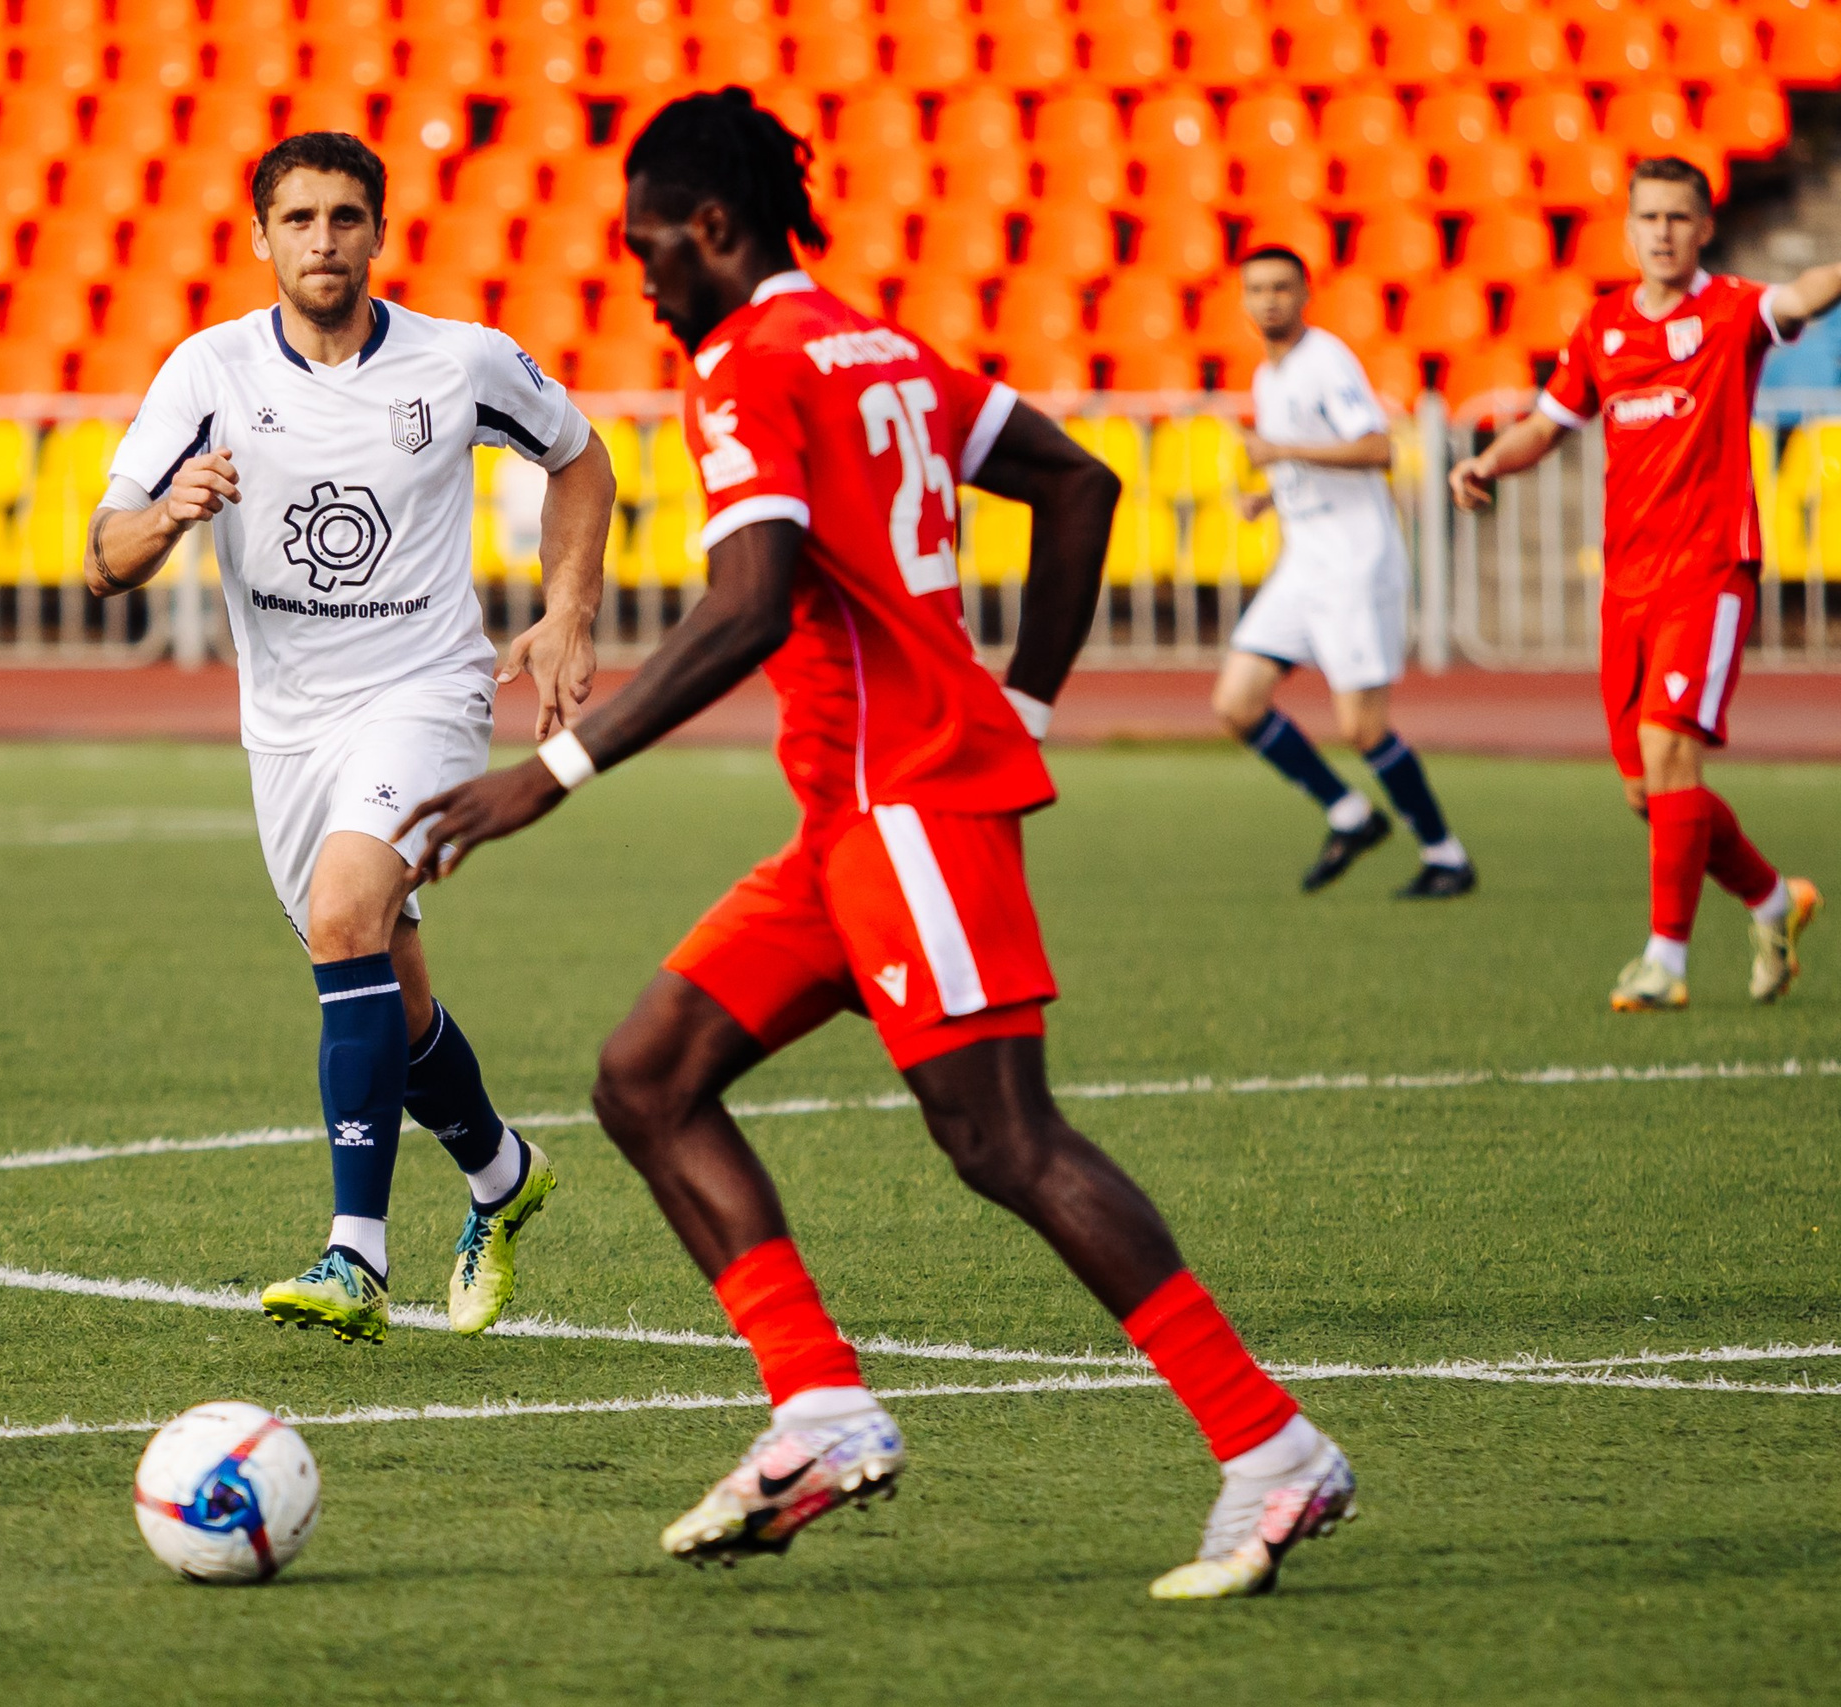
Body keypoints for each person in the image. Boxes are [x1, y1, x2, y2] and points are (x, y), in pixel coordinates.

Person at [401, 90, 1355, 1599]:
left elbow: (751, 598)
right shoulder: (876, 346)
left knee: (1004, 1140)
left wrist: (557, 767)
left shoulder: (748, 364)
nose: (640, 280)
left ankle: (1271, 1447)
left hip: (908, 810)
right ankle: (820, 1410)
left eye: (652, 248)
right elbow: (1077, 480)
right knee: (647, 1075)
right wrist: (1022, 702)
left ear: (715, 228)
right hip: (859, 819)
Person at [84, 133, 618, 1344]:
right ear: (260, 237)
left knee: (342, 918)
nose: (322, 240)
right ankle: (501, 1175)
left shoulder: (461, 360)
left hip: (427, 690)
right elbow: (101, 555)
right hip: (285, 727)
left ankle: (354, 1257)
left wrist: (569, 607)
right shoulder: (208, 371)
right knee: (391, 994)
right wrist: (167, 514)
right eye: (299, 219)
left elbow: (580, 458)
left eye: (343, 217)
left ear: (380, 232)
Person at [1451, 157, 1826, 1008]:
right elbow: (1546, 427)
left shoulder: (1732, 312)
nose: (1662, 232)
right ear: (1628, 232)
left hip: (1710, 567)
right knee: (1646, 790)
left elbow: (1800, 296)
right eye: (1648, 218)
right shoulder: (1603, 328)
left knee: (1669, 747)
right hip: (1628, 580)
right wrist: (1486, 462)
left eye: (1678, 218)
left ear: (1704, 229)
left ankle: (1666, 959)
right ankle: (1774, 898)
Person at [1213, 246, 1475, 897]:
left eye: (1281, 288)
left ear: (1306, 295)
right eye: (1257, 289)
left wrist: (1278, 451)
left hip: (1355, 559)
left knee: (1361, 726)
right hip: (1304, 559)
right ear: (1243, 301)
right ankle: (1349, 813)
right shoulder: (1269, 375)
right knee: (1236, 703)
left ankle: (1446, 854)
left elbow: (1377, 447)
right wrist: (1271, 491)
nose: (1269, 300)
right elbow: (1312, 456)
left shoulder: (1324, 361)